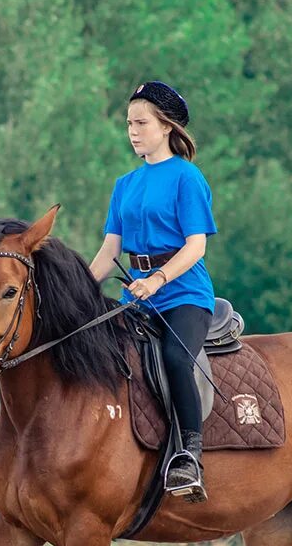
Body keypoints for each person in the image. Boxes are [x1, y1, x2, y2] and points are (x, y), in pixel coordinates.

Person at [89, 80, 218, 503]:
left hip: (183, 295)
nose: (133, 131)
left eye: (141, 122)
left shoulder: (187, 177)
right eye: (128, 123)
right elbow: (110, 251)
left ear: (166, 127)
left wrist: (159, 279)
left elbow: (195, 245)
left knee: (177, 359)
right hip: (136, 296)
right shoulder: (125, 184)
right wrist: (79, 296)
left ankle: (189, 454)